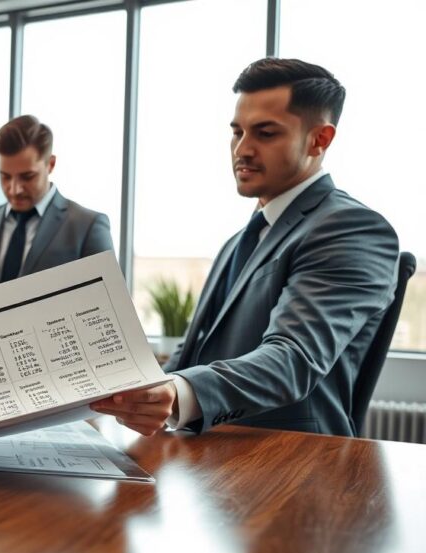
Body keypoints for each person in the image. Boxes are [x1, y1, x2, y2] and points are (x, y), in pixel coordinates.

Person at [92, 57, 399, 437]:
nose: (242, 149)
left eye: (265, 134)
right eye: (237, 132)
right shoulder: (239, 242)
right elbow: (189, 356)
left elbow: (292, 359)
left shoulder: (351, 228)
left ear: (320, 139)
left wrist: (178, 392)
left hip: (291, 465)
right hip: (209, 458)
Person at [0, 115, 115, 297]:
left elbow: (110, 305)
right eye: (5, 176)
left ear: (50, 164)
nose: (15, 189)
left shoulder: (87, 227)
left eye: (27, 177)